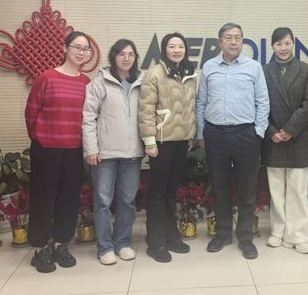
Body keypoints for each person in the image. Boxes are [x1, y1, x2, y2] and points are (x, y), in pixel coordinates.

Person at [196, 22, 270, 260]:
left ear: (242, 41)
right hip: (215, 135)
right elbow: (201, 102)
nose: (234, 41)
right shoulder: (209, 67)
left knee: (247, 189)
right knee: (220, 188)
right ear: (220, 42)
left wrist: (258, 132)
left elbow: (263, 101)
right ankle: (223, 234)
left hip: (246, 135)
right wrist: (201, 133)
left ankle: (246, 237)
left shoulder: (253, 67)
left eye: (238, 37)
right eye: (228, 37)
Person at [25, 31, 92, 273]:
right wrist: (41, 137)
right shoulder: (46, 78)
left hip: (74, 150)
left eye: (85, 49)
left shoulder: (87, 83)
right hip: (47, 149)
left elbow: (89, 118)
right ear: (65, 48)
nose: (81, 52)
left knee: (69, 199)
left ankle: (61, 244)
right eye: (76, 47)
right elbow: (31, 113)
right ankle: (40, 248)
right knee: (43, 198)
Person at [82, 39, 145, 265]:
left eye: (131, 54)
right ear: (113, 56)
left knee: (127, 201)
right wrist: (91, 148)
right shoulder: (99, 83)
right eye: (121, 54)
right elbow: (88, 117)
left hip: (132, 154)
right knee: (102, 201)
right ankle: (105, 247)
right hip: (104, 154)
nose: (126, 58)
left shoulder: (142, 82)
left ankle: (122, 243)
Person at [139, 33, 197, 263]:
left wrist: (189, 135)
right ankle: (155, 243)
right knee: (157, 193)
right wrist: (149, 141)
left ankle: (171, 237)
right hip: (161, 142)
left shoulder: (188, 72)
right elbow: (146, 109)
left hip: (181, 141)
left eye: (180, 46)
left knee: (171, 192)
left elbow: (189, 108)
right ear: (164, 50)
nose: (177, 50)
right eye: (172, 46)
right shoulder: (155, 73)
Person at [262, 27, 308, 254]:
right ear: (272, 46)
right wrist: (272, 131)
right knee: (276, 190)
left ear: (293, 44)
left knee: (298, 189)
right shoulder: (264, 70)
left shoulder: (305, 70)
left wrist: (290, 130)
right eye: (278, 44)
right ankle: (278, 232)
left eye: (287, 43)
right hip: (273, 137)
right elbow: (259, 103)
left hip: (298, 136)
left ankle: (299, 235)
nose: (283, 48)